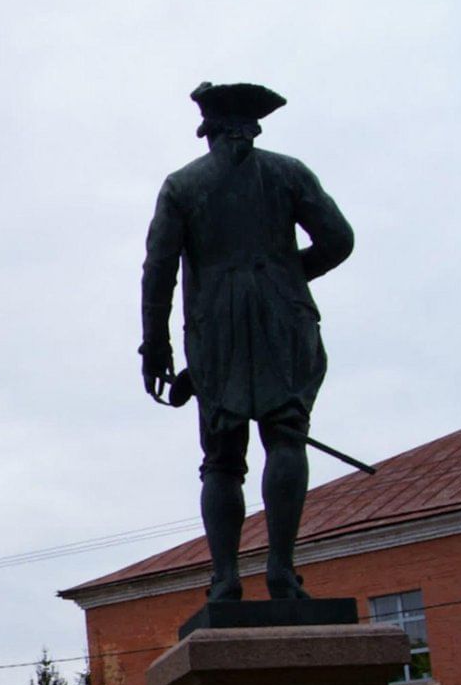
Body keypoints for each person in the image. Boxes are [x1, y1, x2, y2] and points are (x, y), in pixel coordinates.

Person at [140, 82, 354, 601]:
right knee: (285, 436)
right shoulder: (288, 173)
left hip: (216, 329)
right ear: (252, 128)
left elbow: (159, 270)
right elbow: (339, 240)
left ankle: (225, 579)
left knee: (221, 457)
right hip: (284, 319)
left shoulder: (182, 185)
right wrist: (287, 276)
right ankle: (281, 569)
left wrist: (156, 345)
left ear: (210, 131)